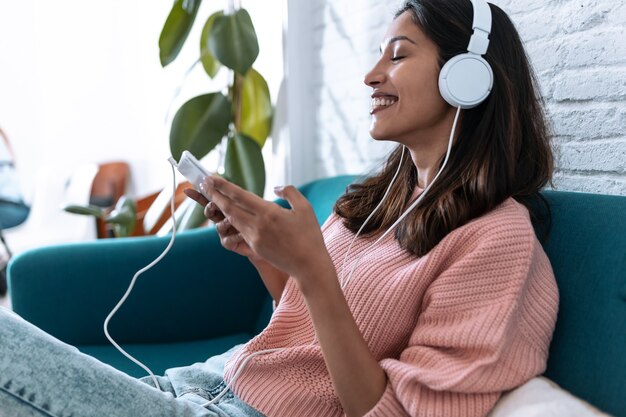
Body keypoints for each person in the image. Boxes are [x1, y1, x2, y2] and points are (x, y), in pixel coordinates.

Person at [0, 0, 558, 416]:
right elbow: (310, 328)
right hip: (206, 382)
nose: (370, 76)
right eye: (375, 56)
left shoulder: (496, 240)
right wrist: (271, 258)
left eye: (399, 56)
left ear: (468, 77)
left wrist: (312, 269)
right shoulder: (382, 197)